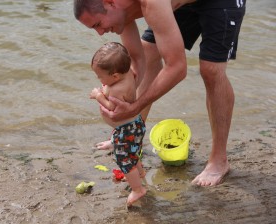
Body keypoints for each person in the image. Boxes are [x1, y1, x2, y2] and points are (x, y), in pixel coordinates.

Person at [74, 0, 246, 187]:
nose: (100, 32)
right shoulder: (121, 11)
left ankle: (219, 161)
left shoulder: (151, 2)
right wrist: (122, 114)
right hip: (178, 4)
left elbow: (177, 68)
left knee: (211, 70)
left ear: (110, 3)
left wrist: (134, 107)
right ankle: (132, 137)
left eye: (98, 24)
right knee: (149, 53)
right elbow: (138, 62)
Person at [90, 42, 147, 207]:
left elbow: (111, 107)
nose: (99, 80)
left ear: (115, 76)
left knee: (124, 160)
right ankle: (140, 172)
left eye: (100, 77)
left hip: (126, 129)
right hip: (134, 125)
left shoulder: (116, 89)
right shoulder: (127, 72)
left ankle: (138, 189)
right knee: (132, 150)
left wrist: (98, 95)